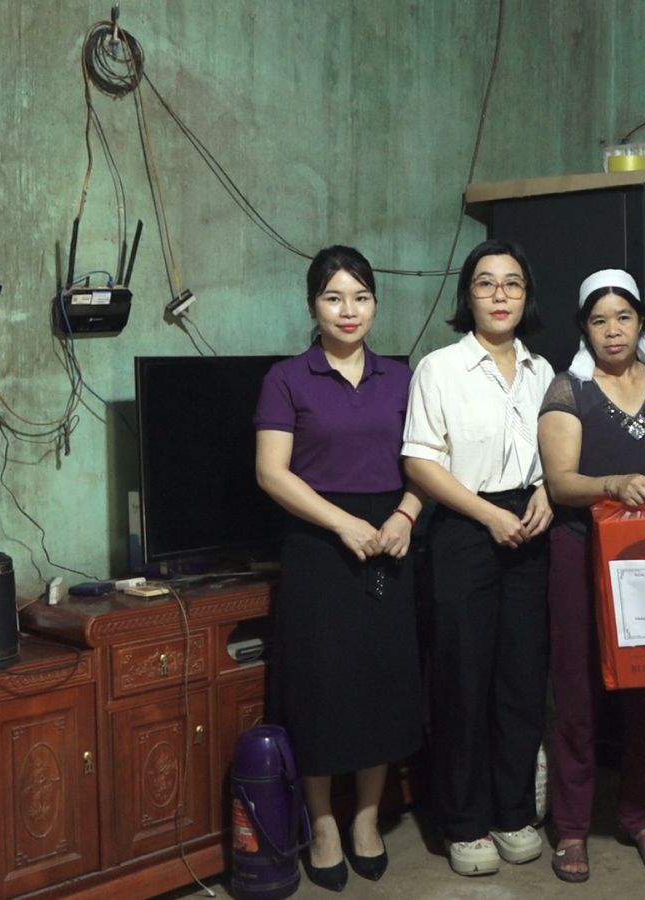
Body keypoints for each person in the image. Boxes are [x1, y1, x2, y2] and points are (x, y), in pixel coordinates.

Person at [253, 245, 423, 892]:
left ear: (375, 304)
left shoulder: (402, 378)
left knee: (382, 683)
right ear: (312, 306)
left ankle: (367, 819)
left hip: (392, 538)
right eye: (333, 297)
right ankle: (323, 823)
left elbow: (429, 460)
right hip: (319, 546)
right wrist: (343, 524)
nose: (348, 310)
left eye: (360, 297)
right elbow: (271, 473)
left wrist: (405, 515)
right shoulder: (287, 378)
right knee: (321, 689)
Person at [401, 239, 555, 877]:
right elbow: (419, 461)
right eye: (486, 283)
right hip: (465, 526)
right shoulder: (440, 368)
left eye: (512, 283)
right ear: (468, 295)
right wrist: (488, 514)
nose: (499, 295)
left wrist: (546, 492)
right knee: (462, 680)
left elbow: (556, 450)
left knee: (521, 678)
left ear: (526, 295)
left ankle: (513, 810)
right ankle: (463, 823)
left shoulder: (543, 370)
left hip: (532, 524)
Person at [537, 269, 645, 883]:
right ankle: (572, 827)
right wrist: (612, 484)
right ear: (585, 328)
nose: (612, 330)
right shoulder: (569, 390)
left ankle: (640, 815)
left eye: (623, 317)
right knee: (576, 691)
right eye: (599, 320)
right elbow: (560, 483)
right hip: (580, 551)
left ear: (641, 322)